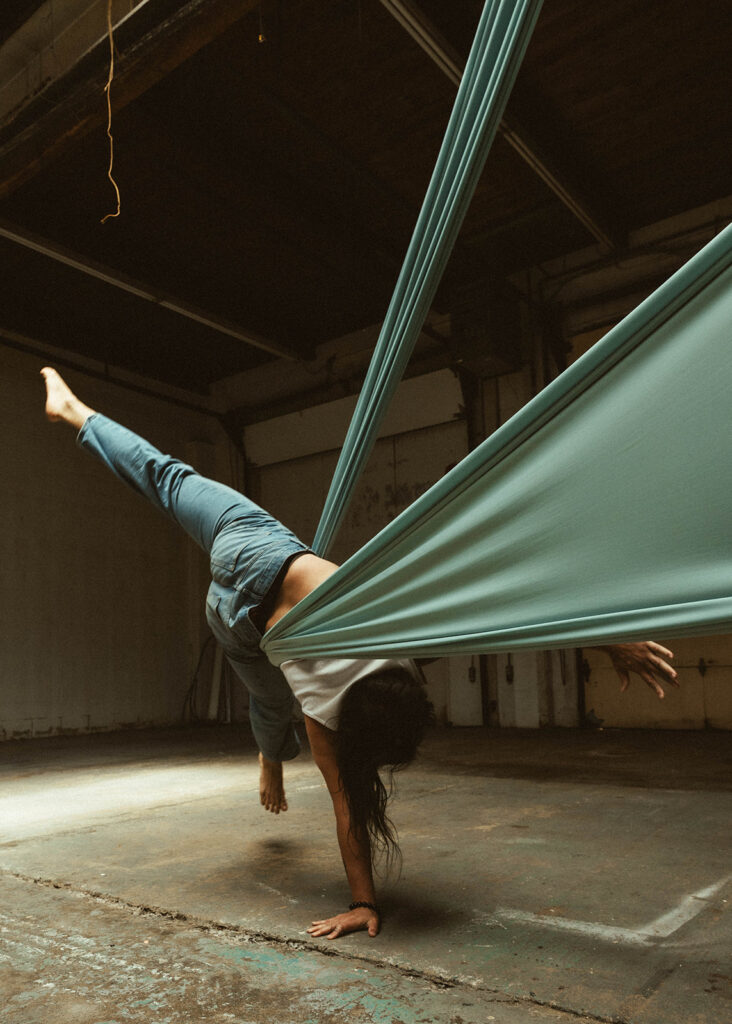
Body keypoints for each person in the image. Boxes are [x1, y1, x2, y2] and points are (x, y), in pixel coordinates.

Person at [41, 367, 679, 940]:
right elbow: (350, 814)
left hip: (258, 551)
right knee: (267, 702)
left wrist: (612, 639)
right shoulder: (325, 718)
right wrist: (362, 904)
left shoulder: (396, 639)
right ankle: (270, 757)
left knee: (166, 475)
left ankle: (75, 412)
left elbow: (506, 615)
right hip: (241, 625)